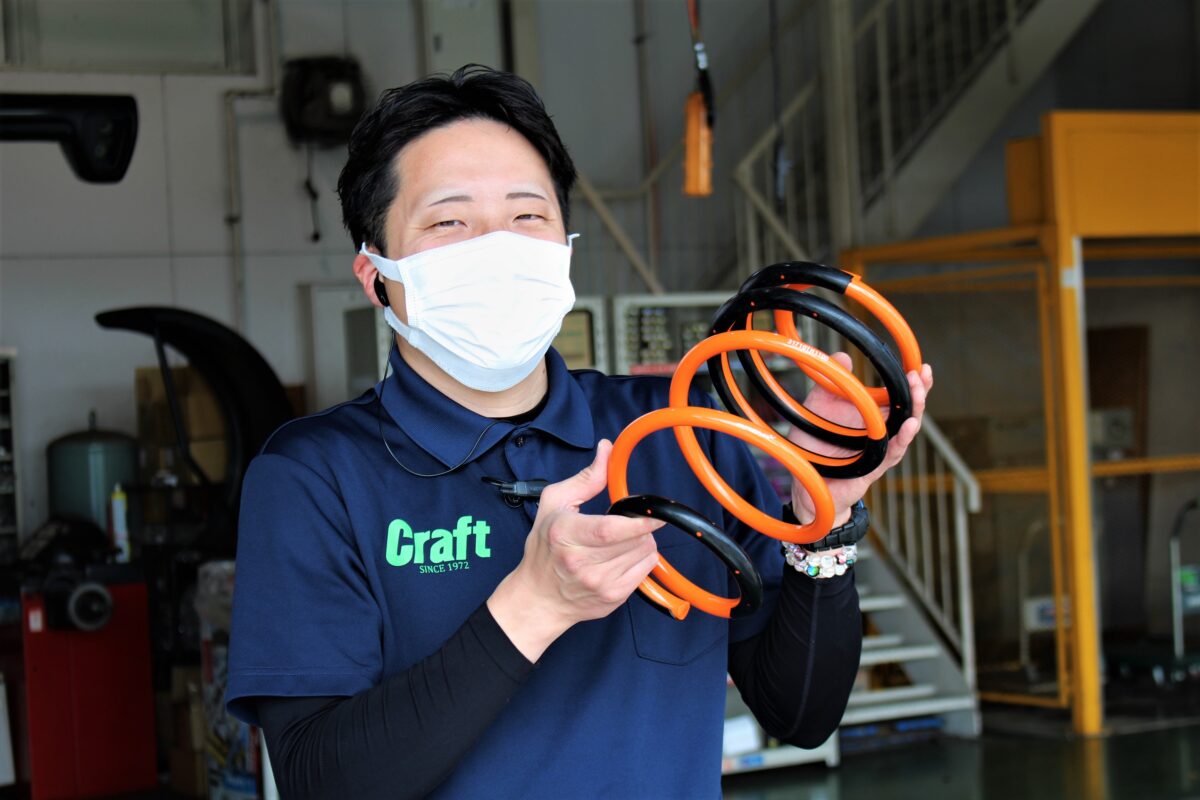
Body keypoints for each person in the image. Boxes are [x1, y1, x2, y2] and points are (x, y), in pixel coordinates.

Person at [226, 65, 933, 799]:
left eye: (527, 216)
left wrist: (824, 518)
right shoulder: (314, 477)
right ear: (375, 276)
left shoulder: (680, 433)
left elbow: (802, 714)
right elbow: (319, 780)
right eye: (448, 222)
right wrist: (532, 607)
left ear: (563, 248)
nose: (497, 248)